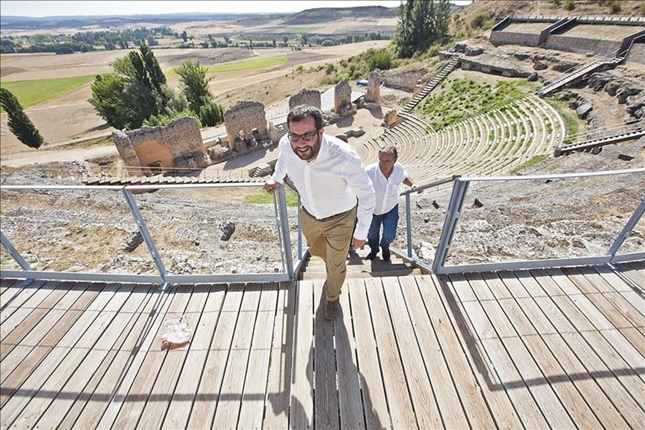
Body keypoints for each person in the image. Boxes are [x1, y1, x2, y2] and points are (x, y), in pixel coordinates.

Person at [264, 105, 375, 321]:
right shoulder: (287, 144)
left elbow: (368, 194)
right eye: (294, 135)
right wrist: (277, 178)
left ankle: (332, 297)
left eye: (307, 135)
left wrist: (361, 231)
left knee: (335, 265)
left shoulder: (344, 157)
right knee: (317, 251)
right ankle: (333, 261)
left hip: (341, 219)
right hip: (309, 215)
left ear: (321, 132)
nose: (300, 142)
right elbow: (284, 158)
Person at [364, 145, 418, 261]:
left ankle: (385, 246)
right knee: (372, 234)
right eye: (381, 160)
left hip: (391, 208)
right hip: (373, 209)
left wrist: (413, 185)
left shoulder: (398, 169)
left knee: (390, 235)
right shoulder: (369, 172)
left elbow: (403, 177)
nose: (383, 164)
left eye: (387, 161)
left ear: (395, 160)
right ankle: (374, 250)